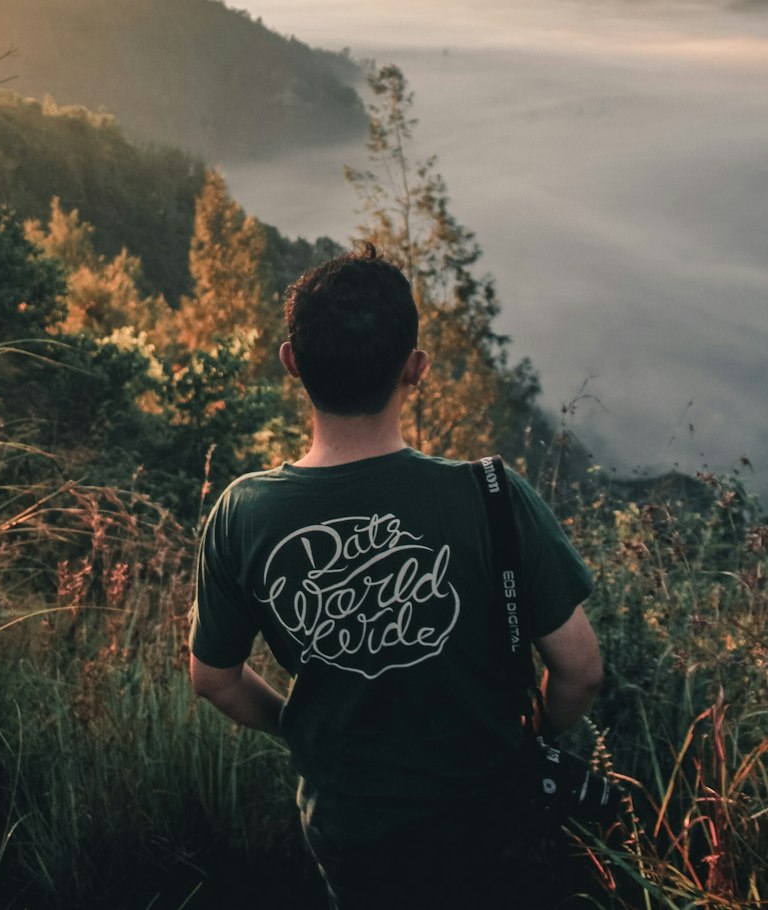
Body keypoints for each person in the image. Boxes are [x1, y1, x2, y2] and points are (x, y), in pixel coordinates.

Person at [189, 243, 603, 908]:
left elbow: (214, 678)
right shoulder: (493, 495)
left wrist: (298, 725)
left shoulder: (243, 511)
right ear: (416, 369)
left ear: (292, 363)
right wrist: (538, 730)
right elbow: (580, 670)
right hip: (489, 816)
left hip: (348, 827)